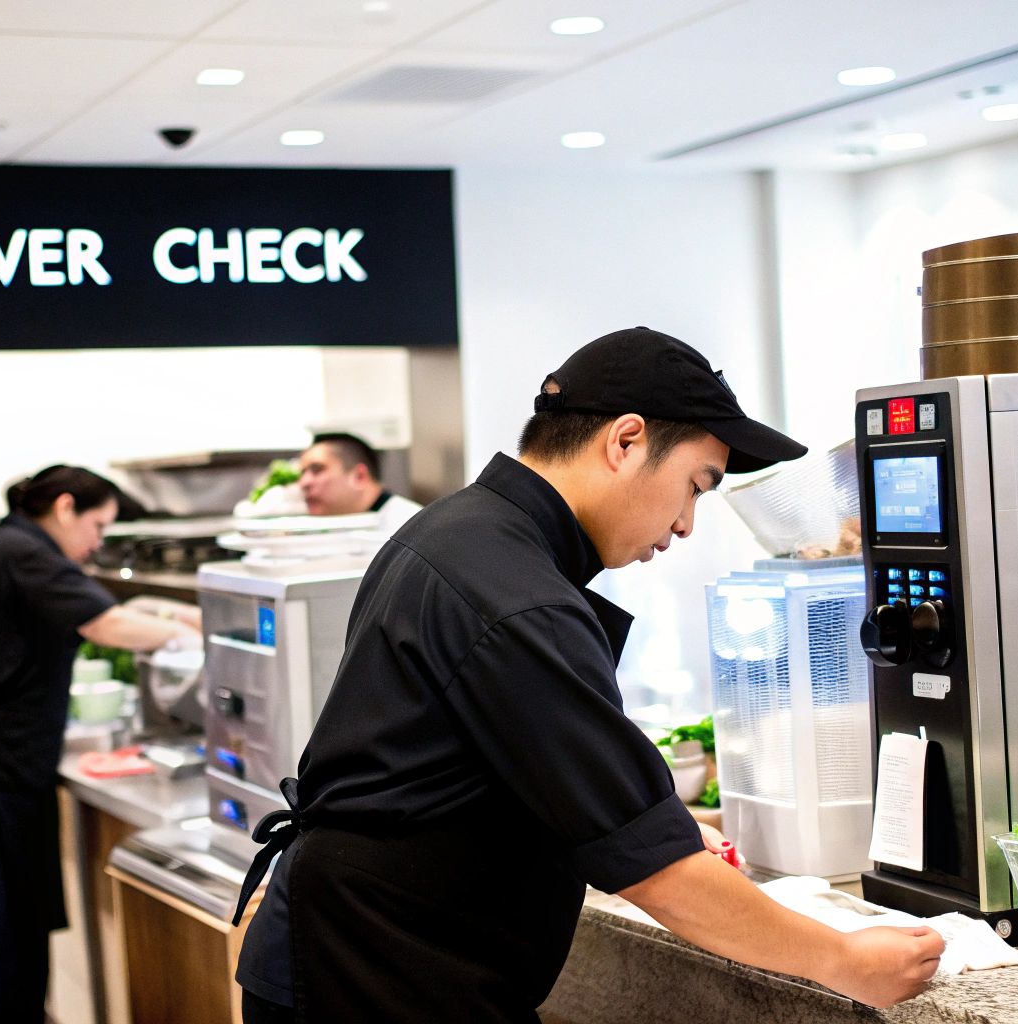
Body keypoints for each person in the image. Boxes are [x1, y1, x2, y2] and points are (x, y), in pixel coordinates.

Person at [233, 328, 944, 1021]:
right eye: (695, 485)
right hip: (372, 975)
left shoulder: (465, 532)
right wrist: (844, 959)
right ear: (625, 440)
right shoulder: (514, 594)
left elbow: (487, 766)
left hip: (368, 953)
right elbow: (656, 876)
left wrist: (641, 816)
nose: (687, 523)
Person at [0, 465, 202, 1024]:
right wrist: (200, 636)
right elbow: (108, 626)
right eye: (97, 525)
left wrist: (184, 613)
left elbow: (111, 608)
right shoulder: (26, 553)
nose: (98, 541)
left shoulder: (5, 546)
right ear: (65, 507)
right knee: (4, 935)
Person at [295, 431, 423, 533]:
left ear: (359, 476)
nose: (304, 483)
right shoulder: (344, 524)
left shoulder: (413, 527)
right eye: (302, 473)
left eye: (317, 470)